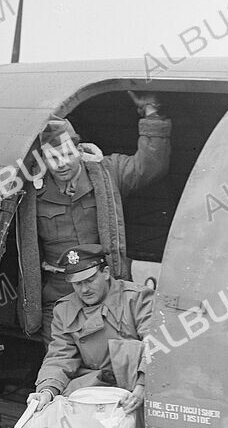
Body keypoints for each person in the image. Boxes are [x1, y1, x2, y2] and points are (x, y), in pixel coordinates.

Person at [17, 94, 171, 343]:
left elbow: (150, 166)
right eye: (53, 158)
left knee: (112, 360)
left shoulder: (107, 173)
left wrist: (151, 113)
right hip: (58, 294)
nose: (61, 164)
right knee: (59, 360)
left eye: (67, 154)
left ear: (79, 150)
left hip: (105, 288)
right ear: (43, 159)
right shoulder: (33, 191)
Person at [27, 244, 152, 416]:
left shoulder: (137, 298)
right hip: (92, 390)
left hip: (135, 387)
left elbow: (156, 344)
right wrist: (47, 390)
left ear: (106, 273)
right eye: (77, 283)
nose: (84, 289)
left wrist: (143, 386)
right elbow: (60, 356)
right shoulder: (64, 310)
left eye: (90, 280)